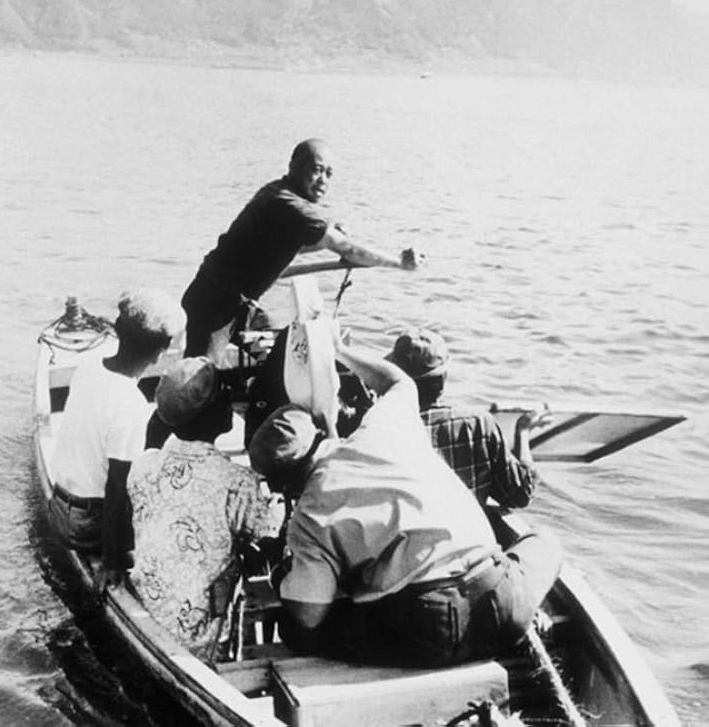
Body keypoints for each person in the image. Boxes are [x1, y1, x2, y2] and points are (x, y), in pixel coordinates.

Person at [248, 336, 563, 667]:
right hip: (503, 602)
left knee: (299, 632)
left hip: (432, 632)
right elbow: (398, 381)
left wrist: (288, 581)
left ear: (285, 481)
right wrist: (339, 351)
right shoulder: (386, 426)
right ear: (320, 433)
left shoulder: (309, 517)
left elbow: (309, 616)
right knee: (544, 541)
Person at [181, 138, 424, 358]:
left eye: (329, 174)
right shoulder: (289, 205)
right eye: (317, 170)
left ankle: (263, 398)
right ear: (294, 166)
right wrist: (399, 262)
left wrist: (332, 241)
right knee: (196, 384)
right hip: (212, 307)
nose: (323, 181)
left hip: (239, 307)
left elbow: (285, 245)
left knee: (287, 356)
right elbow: (349, 250)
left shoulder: (277, 192)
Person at [126, 357, 274, 659]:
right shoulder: (238, 482)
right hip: (201, 636)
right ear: (215, 412)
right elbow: (263, 538)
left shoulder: (143, 466)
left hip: (149, 608)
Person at [48, 288, 184, 578]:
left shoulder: (89, 365)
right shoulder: (130, 403)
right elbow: (117, 491)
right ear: (164, 347)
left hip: (59, 507)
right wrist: (114, 561)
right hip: (86, 525)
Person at [388, 327, 547, 509]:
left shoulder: (384, 426)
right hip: (463, 534)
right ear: (443, 378)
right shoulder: (478, 424)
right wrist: (523, 431)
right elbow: (520, 495)